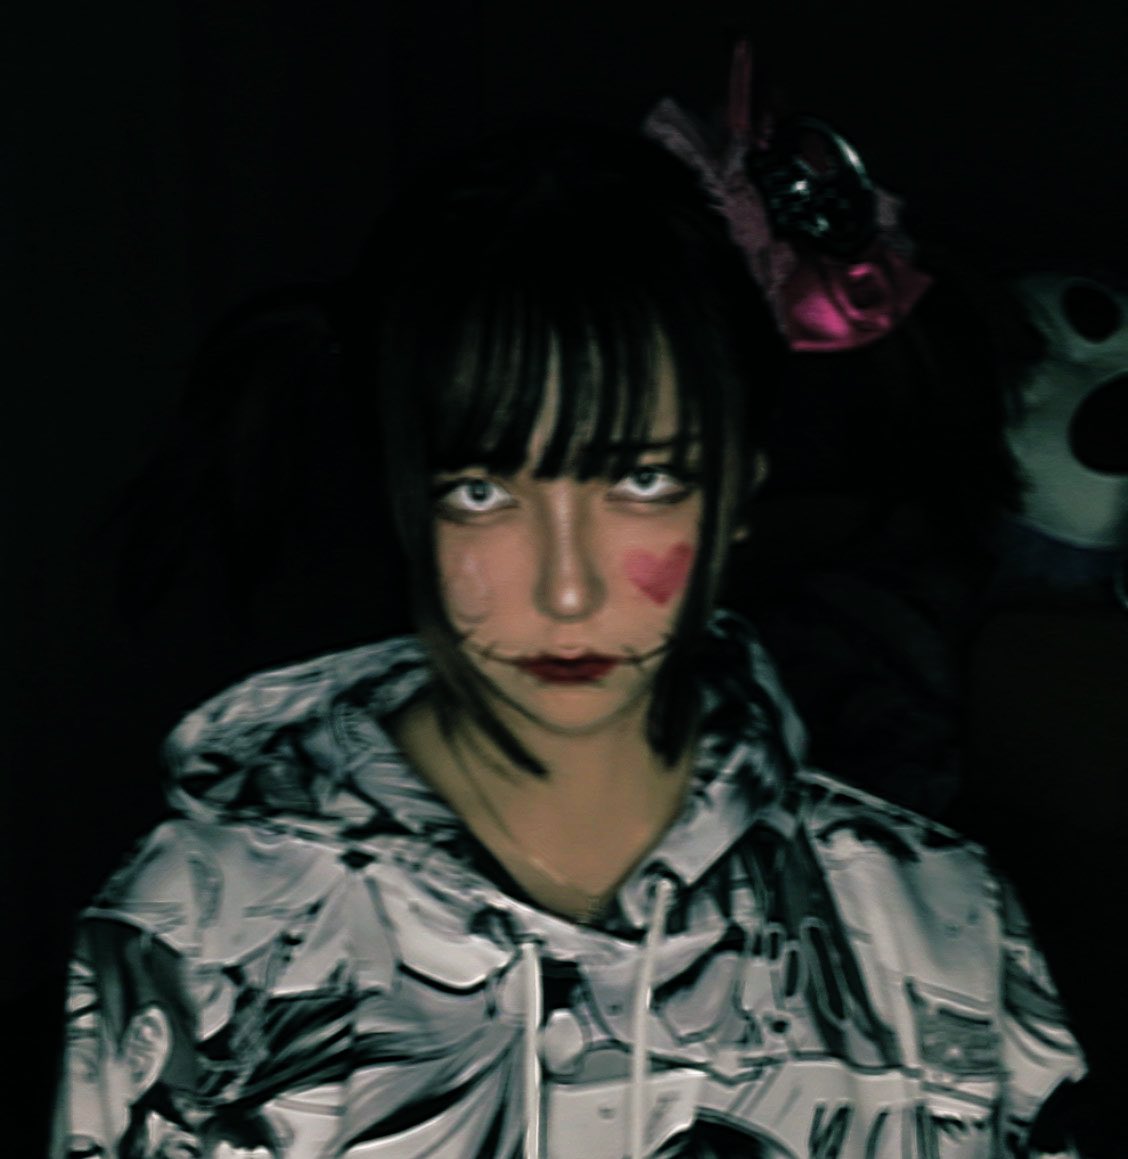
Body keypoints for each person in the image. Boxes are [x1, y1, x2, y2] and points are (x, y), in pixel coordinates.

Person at [52, 123, 1087, 1158]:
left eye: (642, 480)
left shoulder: (935, 921)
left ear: (737, 492)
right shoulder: (200, 933)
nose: (565, 588)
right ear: (404, 499)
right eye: (482, 491)